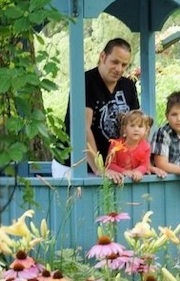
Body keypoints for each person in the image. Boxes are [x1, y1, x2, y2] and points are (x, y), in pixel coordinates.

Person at [53, 38, 139, 182]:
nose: (119, 69)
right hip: (74, 165)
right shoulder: (85, 82)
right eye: (115, 62)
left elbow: (136, 127)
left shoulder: (128, 86)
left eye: (124, 65)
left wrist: (140, 164)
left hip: (112, 168)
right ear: (103, 56)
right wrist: (99, 168)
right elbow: (83, 128)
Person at [106, 110, 166, 184]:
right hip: (117, 182)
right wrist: (124, 171)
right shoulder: (115, 144)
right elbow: (110, 165)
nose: (136, 129)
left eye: (140, 126)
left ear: (146, 130)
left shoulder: (146, 146)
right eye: (132, 125)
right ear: (125, 129)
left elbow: (145, 165)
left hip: (136, 183)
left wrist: (138, 171)